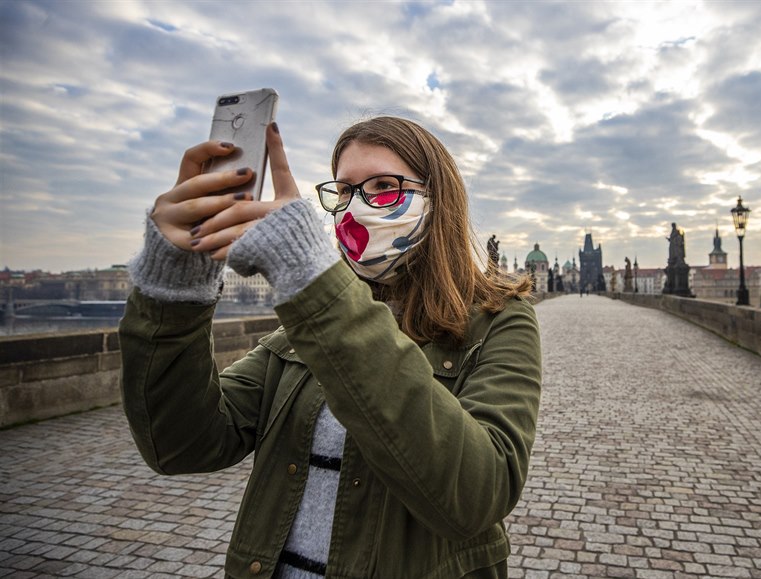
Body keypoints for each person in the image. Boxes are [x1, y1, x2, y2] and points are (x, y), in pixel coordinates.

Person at [119, 116, 542, 578]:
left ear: (439, 200)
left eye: (383, 185)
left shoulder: (499, 320)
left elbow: (479, 494)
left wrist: (314, 283)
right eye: (344, 191)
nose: (357, 207)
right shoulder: (304, 327)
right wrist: (175, 282)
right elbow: (182, 445)